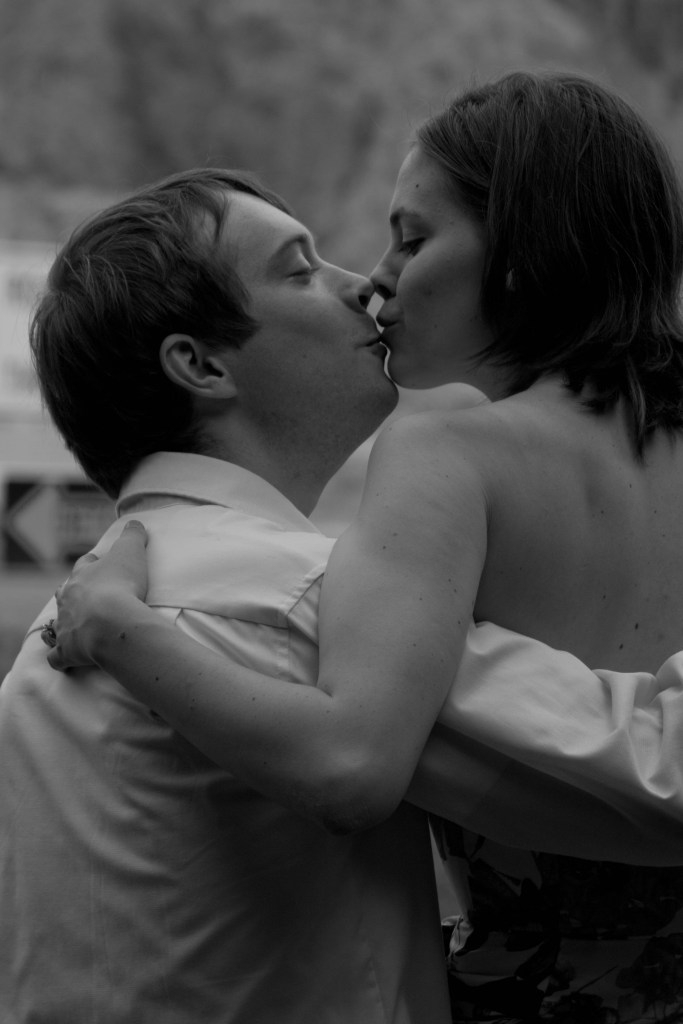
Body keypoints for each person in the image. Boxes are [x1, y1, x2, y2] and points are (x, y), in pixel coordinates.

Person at [44, 72, 683, 1023]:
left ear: (519, 257)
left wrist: (116, 627)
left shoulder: (450, 451)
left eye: (413, 240)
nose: (378, 278)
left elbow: (349, 762)